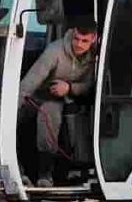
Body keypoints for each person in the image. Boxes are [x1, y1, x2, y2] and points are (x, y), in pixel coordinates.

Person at [18, 18, 99, 186]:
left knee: (50, 113)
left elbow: (91, 85)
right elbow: (31, 81)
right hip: (42, 95)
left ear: (93, 39)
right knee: (37, 114)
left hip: (68, 98)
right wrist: (13, 106)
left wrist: (69, 88)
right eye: (76, 38)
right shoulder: (55, 50)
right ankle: (30, 173)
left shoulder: (96, 56)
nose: (79, 44)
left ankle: (48, 174)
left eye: (84, 41)